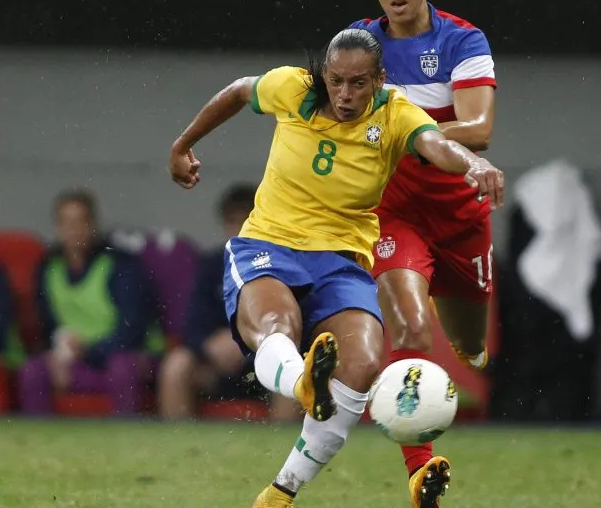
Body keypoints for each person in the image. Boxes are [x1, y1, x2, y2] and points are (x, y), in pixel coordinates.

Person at [167, 28, 504, 508]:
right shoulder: (293, 88)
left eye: (359, 84)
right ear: (323, 74)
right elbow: (242, 89)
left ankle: (281, 491)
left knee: (363, 365)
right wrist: (183, 144)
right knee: (277, 326)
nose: (345, 95)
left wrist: (471, 163)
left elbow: (435, 145)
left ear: (380, 80)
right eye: (337, 81)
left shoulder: (395, 114)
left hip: (342, 261)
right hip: (269, 245)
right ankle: (301, 382)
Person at [350, 0, 498, 504]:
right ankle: (420, 469)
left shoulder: (463, 38)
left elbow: (479, 128)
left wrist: (400, 132)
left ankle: (467, 344)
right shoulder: (361, 44)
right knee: (412, 327)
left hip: (461, 215)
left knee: (468, 345)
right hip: (393, 213)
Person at [158, 184, 301, 422]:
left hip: (263, 366)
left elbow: (295, 326)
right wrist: (208, 344)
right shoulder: (212, 266)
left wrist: (248, 344)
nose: (240, 229)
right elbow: (191, 324)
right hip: (217, 367)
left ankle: (284, 453)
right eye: (232, 221)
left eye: (246, 220)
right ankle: (178, 448)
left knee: (292, 371)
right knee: (177, 365)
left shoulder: (283, 265)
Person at [18, 190, 156, 416]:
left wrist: (88, 351)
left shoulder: (121, 265)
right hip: (73, 361)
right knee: (33, 370)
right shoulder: (48, 268)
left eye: (81, 221)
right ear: (57, 227)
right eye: (67, 223)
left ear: (93, 225)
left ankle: (127, 439)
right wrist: (57, 354)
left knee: (122, 367)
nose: (74, 230)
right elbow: (46, 325)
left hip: (119, 358)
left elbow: (132, 330)